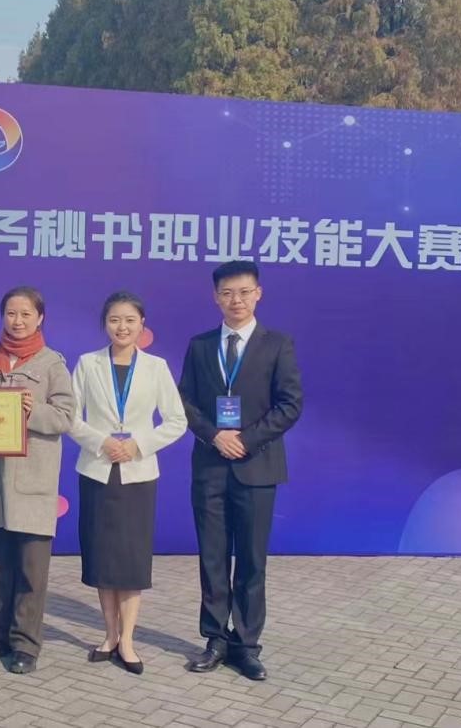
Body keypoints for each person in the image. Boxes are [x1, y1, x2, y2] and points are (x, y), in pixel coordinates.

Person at [178, 260, 302, 682]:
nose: (237, 300)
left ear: (258, 294)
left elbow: (290, 404)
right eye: (228, 293)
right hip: (210, 467)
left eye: (245, 292)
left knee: (251, 560)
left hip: (257, 467)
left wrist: (246, 439)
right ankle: (215, 639)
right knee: (212, 557)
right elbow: (184, 402)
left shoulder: (277, 344)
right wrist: (214, 435)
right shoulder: (200, 346)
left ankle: (246, 645)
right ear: (216, 297)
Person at [68, 291, 187, 676]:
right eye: (115, 319)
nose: (122, 327)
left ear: (141, 325)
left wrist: (137, 445)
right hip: (98, 471)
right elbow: (70, 416)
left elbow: (177, 420)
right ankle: (109, 636)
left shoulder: (155, 367)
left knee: (132, 561)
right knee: (103, 558)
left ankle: (129, 641)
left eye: (130, 320)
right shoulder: (87, 364)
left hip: (137, 474)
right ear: (105, 323)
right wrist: (101, 442)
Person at [0, 286, 76, 675]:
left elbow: (65, 416)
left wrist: (33, 411)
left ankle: (26, 644)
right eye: (11, 313)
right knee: (1, 566)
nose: (18, 321)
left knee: (32, 568)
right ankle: (1, 635)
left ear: (40, 318)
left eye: (26, 314)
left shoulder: (51, 363)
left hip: (34, 479)